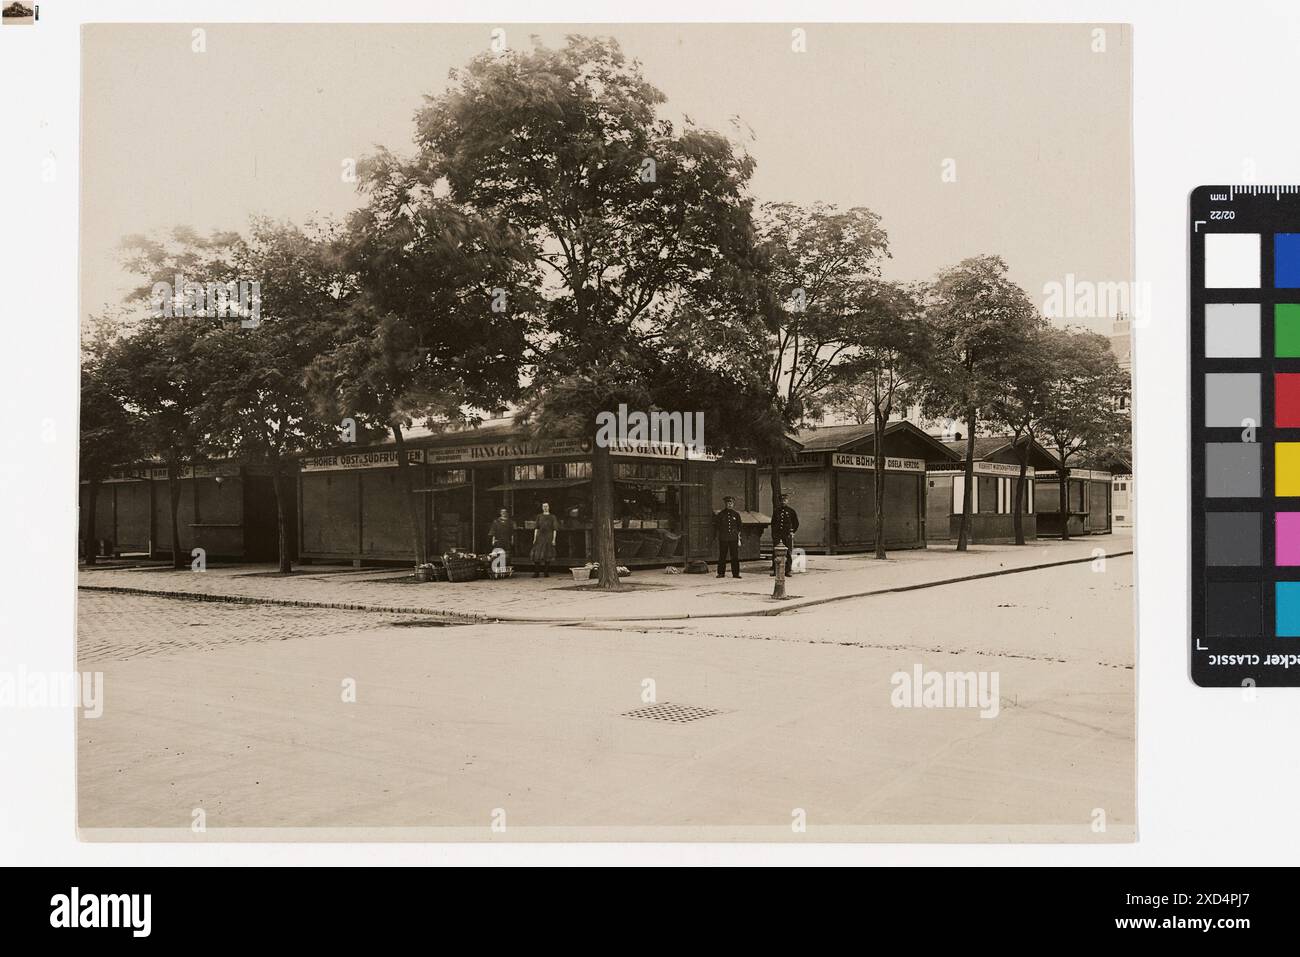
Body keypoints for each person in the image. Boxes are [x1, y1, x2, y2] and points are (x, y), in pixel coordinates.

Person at [770, 491, 800, 577]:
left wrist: (792, 532)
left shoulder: (791, 511)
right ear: (780, 501)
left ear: (787, 501)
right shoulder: (776, 511)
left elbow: (796, 523)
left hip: (786, 535)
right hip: (778, 535)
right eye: (782, 500)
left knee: (787, 553)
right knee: (775, 552)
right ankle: (776, 570)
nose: (783, 502)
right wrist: (774, 534)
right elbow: (773, 523)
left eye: (785, 500)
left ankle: (788, 570)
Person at [714, 494, 743, 579]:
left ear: (733, 504)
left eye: (731, 503)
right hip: (723, 538)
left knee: (734, 556)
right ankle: (721, 573)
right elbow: (717, 526)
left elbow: (739, 526)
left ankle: (736, 573)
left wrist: (739, 538)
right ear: (725, 504)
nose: (729, 504)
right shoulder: (721, 514)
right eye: (728, 503)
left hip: (733, 538)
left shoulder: (736, 515)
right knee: (722, 555)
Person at [530, 501, 560, 578]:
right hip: (540, 536)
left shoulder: (552, 517)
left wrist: (554, 539)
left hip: (548, 536)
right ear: (542, 507)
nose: (545, 508)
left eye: (546, 506)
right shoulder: (539, 516)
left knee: (547, 554)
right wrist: (534, 538)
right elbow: (536, 528)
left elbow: (554, 529)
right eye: (544, 506)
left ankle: (546, 572)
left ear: (549, 507)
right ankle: (536, 572)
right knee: (537, 554)